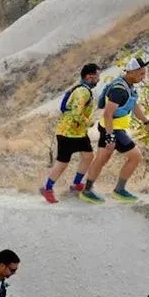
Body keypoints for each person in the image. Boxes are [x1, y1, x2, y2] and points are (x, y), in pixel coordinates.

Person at [82, 57, 149, 204]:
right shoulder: (119, 90)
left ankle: (87, 190)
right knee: (135, 156)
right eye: (141, 73)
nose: (143, 77)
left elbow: (134, 106)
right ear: (131, 72)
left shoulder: (129, 86)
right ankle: (119, 190)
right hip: (113, 129)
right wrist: (110, 137)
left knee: (101, 158)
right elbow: (108, 114)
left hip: (112, 128)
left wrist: (146, 122)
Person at [42, 63, 101, 204]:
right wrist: (88, 122)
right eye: (97, 76)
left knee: (88, 156)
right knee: (62, 163)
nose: (99, 79)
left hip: (78, 132)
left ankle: (76, 184)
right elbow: (76, 113)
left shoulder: (82, 89)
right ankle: (47, 188)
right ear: (89, 76)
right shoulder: (83, 92)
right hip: (68, 133)